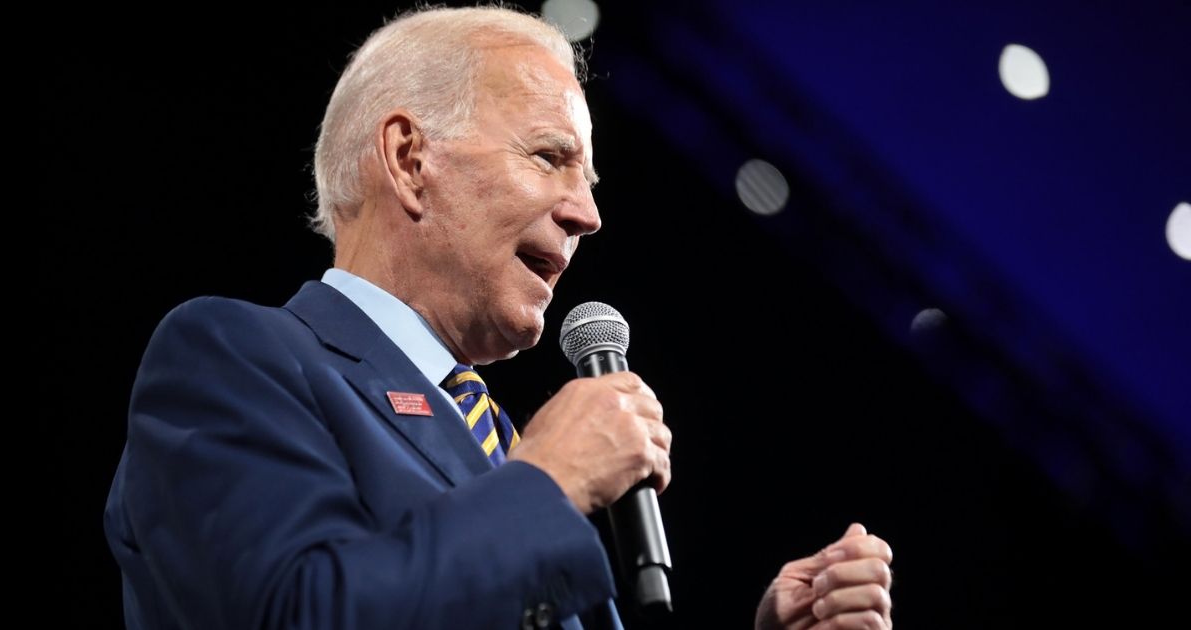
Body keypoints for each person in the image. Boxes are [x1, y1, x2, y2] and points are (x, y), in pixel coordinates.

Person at [104, 6, 893, 629]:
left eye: (588, 177)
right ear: (410, 159)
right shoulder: (234, 356)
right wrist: (549, 481)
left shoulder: (504, 452)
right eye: (550, 157)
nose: (588, 214)